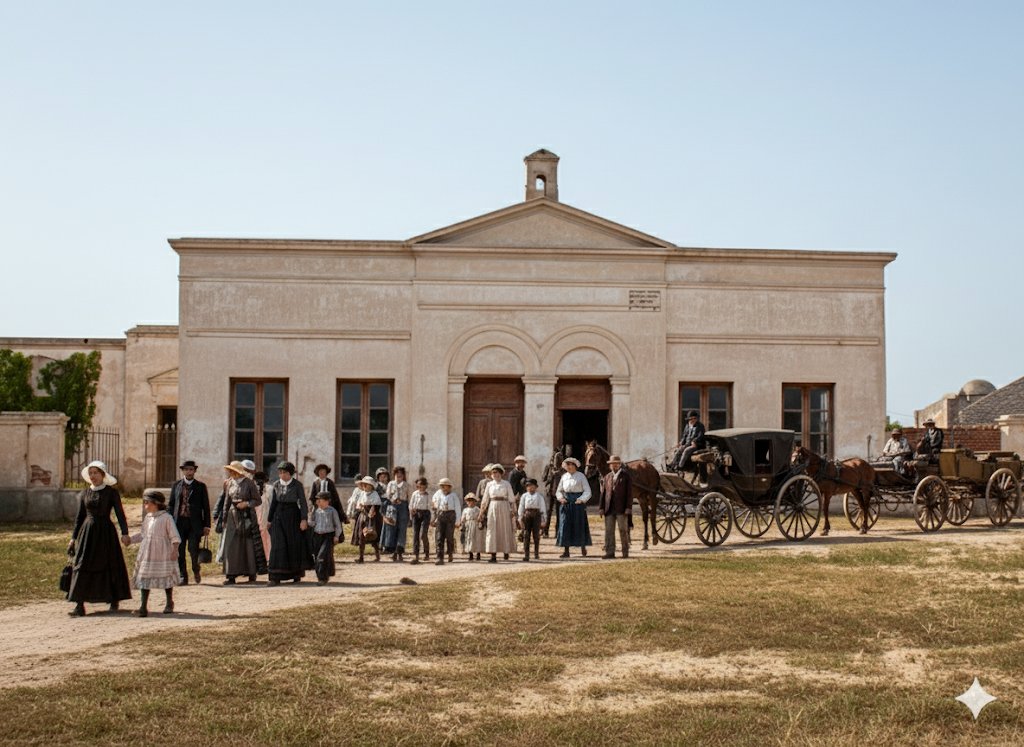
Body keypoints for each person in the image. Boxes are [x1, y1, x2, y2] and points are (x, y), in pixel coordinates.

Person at [66, 460, 132, 617]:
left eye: (95, 473)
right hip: (88, 532)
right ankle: (79, 604)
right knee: (82, 565)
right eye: (91, 473)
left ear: (103, 475)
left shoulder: (111, 493)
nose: (93, 476)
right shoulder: (84, 493)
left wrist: (125, 533)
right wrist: (73, 538)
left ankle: (114, 597)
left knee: (110, 563)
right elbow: (79, 517)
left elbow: (120, 514)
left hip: (106, 533)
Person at [128, 490, 181, 617]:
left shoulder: (166, 518)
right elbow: (143, 534)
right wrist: (130, 540)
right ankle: (143, 606)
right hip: (147, 553)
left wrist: (175, 550)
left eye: (147, 503)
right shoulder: (147, 518)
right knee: (144, 577)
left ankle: (169, 602)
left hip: (162, 552)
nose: (145, 505)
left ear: (156, 503)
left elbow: (174, 536)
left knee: (166, 577)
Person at [214, 461, 266, 585]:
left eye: (233, 471)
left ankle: (251, 573)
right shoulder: (229, 483)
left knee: (248, 545)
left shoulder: (249, 483)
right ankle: (231, 575)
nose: (231, 473)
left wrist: (247, 504)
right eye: (230, 471)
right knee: (231, 544)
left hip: (247, 516)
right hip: (233, 517)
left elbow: (257, 500)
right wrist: (224, 519)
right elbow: (226, 501)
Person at [166, 459, 210, 585]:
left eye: (191, 469)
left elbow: (206, 507)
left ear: (194, 471)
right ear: (183, 471)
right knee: (180, 550)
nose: (189, 471)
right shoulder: (176, 485)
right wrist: (169, 522)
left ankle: (195, 569)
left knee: (193, 549)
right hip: (178, 522)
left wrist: (207, 525)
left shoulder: (201, 486)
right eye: (186, 469)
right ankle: (182, 576)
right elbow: (171, 505)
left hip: (195, 524)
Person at [267, 461, 309, 585]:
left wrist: (303, 519)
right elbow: (274, 503)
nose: (282, 475)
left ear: (290, 473)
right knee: (277, 545)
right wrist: (269, 520)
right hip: (278, 517)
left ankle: (295, 574)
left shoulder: (297, 485)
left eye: (284, 472)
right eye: (280, 472)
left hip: (293, 516)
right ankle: (275, 577)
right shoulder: (276, 484)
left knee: (292, 544)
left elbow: (303, 503)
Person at [555, 457, 592, 558]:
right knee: (565, 525)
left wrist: (581, 499)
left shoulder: (581, 476)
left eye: (571, 465)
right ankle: (566, 550)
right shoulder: (564, 477)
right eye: (568, 465)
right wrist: (561, 498)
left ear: (575, 466)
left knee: (579, 524)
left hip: (577, 503)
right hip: (566, 503)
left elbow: (588, 491)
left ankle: (582, 547)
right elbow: (559, 490)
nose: (570, 467)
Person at [479, 464, 517, 562]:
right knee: (492, 529)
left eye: (497, 473)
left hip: (504, 506)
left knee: (504, 528)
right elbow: (485, 499)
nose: (495, 475)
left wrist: (513, 510)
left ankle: (506, 551)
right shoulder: (489, 485)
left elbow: (511, 498)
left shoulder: (506, 484)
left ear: (501, 473)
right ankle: (493, 554)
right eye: (493, 473)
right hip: (493, 506)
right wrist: (481, 513)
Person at [599, 455, 632, 559]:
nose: (614, 465)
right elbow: (603, 494)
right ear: (610, 465)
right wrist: (601, 507)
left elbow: (629, 494)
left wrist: (628, 507)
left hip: (621, 508)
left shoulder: (626, 476)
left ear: (620, 464)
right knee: (609, 531)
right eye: (612, 464)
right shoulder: (607, 477)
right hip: (609, 508)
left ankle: (625, 552)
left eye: (617, 463)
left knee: (623, 530)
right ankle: (610, 552)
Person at [309, 492, 343, 585]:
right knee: (317, 556)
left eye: (320, 500)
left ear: (327, 501)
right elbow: (312, 522)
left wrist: (336, 536)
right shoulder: (315, 511)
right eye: (317, 500)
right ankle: (323, 575)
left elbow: (337, 525)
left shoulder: (332, 511)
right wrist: (308, 521)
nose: (318, 502)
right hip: (317, 535)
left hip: (328, 536)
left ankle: (322, 578)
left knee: (322, 556)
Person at [381, 466, 412, 561]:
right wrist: (393, 499)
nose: (399, 477)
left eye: (401, 475)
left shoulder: (407, 485)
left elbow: (409, 498)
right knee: (392, 528)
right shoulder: (391, 484)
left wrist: (409, 512)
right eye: (397, 475)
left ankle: (400, 552)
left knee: (402, 529)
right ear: (394, 475)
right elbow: (387, 495)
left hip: (403, 507)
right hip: (392, 507)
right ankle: (393, 551)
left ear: (403, 476)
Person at [350, 475, 383, 563]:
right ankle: (361, 557)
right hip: (363, 516)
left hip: (373, 517)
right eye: (363, 484)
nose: (364, 486)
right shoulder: (362, 493)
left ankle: (377, 555)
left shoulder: (374, 494)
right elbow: (359, 504)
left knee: (373, 535)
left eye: (366, 484)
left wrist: (373, 510)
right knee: (362, 535)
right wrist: (360, 507)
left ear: (371, 486)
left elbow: (377, 505)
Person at [668, 410, 707, 480]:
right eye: (689, 419)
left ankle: (680, 467)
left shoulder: (700, 426)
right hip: (687, 443)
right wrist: (681, 443)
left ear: (695, 419)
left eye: (692, 419)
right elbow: (684, 436)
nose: (690, 421)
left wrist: (695, 441)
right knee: (679, 450)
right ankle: (672, 465)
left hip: (697, 445)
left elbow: (701, 436)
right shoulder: (687, 426)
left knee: (686, 451)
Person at [431, 477, 460, 564]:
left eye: (445, 486)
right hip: (441, 515)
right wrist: (435, 516)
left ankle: (450, 552)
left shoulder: (454, 496)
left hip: (450, 516)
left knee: (449, 536)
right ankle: (440, 556)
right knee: (439, 536)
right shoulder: (438, 494)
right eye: (442, 486)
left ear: (449, 487)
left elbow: (457, 508)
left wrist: (458, 520)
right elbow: (434, 502)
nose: (443, 488)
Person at [517, 479, 547, 562]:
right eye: (528, 486)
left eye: (532, 486)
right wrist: (520, 517)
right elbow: (521, 507)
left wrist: (543, 520)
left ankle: (536, 553)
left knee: (536, 535)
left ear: (535, 487)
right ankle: (526, 555)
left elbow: (543, 508)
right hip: (527, 515)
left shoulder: (539, 496)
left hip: (536, 515)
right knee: (526, 534)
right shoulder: (524, 496)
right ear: (526, 488)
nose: (530, 488)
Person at [409, 477, 432, 565]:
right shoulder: (415, 494)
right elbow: (411, 505)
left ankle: (426, 552)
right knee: (415, 534)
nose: (421, 487)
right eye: (419, 485)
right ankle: (416, 554)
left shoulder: (428, 494)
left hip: (425, 514)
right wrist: (412, 514)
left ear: (426, 486)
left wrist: (432, 518)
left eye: (423, 485)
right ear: (417, 486)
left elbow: (430, 506)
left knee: (423, 534)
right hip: (416, 513)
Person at [458, 493, 482, 561]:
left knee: (476, 539)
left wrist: (480, 521)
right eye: (468, 501)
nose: (470, 502)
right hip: (468, 525)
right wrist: (461, 523)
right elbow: (463, 518)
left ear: (475, 501)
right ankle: (470, 554)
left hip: (475, 524)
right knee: (469, 539)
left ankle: (478, 553)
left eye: (471, 500)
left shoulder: (477, 509)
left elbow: (480, 516)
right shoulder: (465, 510)